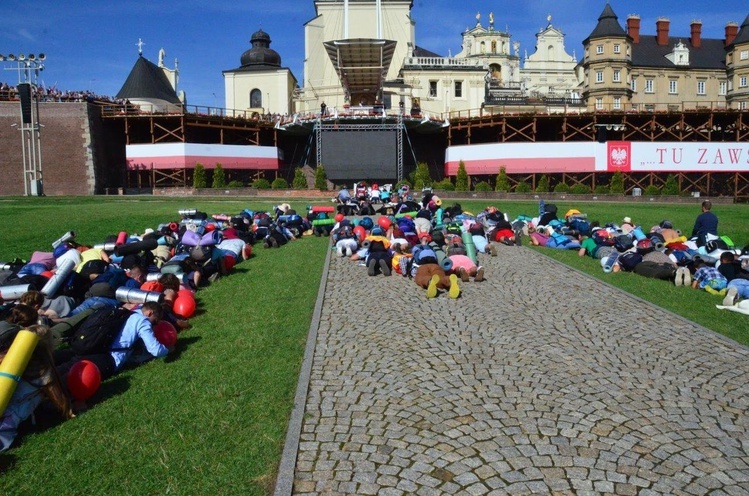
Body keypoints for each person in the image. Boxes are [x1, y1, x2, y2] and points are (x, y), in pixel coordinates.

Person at [1, 323, 73, 451]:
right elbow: (59, 399)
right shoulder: (41, 368)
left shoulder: (8, 364)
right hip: (7, 423)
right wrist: (68, 412)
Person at [56, 302, 170, 382]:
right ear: (150, 313)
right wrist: (168, 349)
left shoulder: (126, 312)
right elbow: (155, 350)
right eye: (155, 321)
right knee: (70, 369)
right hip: (109, 358)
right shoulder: (142, 321)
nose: (155, 325)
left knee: (65, 357)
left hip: (93, 345)